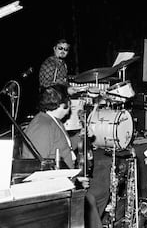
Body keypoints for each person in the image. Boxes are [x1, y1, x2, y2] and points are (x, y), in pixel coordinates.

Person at [21, 83, 109, 228]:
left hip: (66, 177)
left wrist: (80, 137)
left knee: (101, 189)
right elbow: (40, 170)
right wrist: (74, 180)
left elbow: (63, 146)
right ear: (63, 104)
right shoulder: (42, 127)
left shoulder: (52, 120)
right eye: (68, 99)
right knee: (91, 199)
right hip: (55, 188)